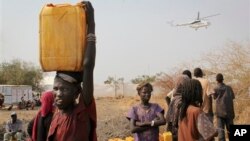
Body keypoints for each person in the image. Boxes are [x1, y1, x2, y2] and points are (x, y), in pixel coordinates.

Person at [46, 1, 97, 141]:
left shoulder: (82, 111)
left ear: (76, 92)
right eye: (55, 88)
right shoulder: (57, 113)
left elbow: (88, 66)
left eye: (64, 90)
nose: (58, 94)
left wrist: (91, 24)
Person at [165, 74, 190, 141]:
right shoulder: (181, 100)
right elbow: (177, 121)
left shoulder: (175, 99)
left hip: (173, 132)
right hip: (179, 132)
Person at [213, 73, 235, 141]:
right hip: (229, 112)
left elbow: (214, 97)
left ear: (217, 80)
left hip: (220, 113)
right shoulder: (229, 88)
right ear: (222, 80)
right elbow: (233, 97)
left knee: (221, 133)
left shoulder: (215, 88)